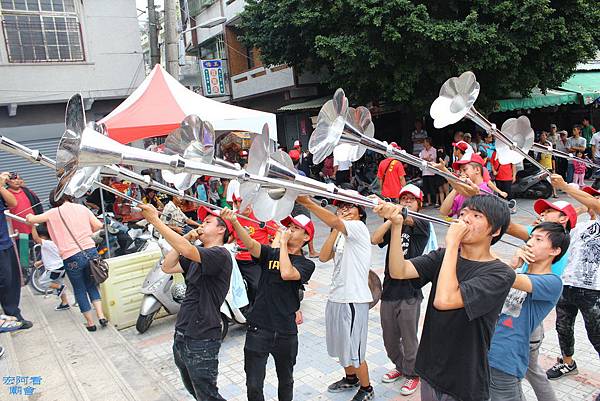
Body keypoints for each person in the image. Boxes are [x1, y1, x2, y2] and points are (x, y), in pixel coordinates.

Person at [374, 195, 515, 401]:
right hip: (430, 366)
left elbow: (445, 301)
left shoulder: (500, 273)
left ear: (495, 231)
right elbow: (399, 270)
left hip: (464, 377)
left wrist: (452, 244)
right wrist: (396, 226)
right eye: (463, 213)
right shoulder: (443, 256)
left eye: (476, 215)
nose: (465, 219)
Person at [140, 203, 232, 401]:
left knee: (208, 396)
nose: (201, 225)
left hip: (203, 338)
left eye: (207, 222)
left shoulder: (220, 255)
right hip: (183, 334)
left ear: (221, 229)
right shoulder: (197, 255)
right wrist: (187, 237)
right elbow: (168, 266)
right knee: (195, 391)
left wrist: (155, 220)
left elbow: (188, 251)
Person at [222, 208, 315, 401]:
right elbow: (250, 244)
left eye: (295, 228)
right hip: (259, 327)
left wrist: (281, 242)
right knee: (254, 384)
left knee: (286, 380)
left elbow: (287, 273)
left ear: (306, 237)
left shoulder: (306, 264)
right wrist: (235, 221)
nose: (288, 229)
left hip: (285, 331)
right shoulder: (270, 253)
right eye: (288, 226)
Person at [296, 193, 374, 401]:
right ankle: (350, 378)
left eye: (350, 206)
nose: (345, 209)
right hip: (337, 297)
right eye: (341, 206)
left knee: (355, 349)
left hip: (353, 299)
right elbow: (323, 256)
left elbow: (332, 219)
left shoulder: (358, 227)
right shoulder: (341, 231)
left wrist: (308, 203)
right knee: (341, 344)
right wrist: (335, 228)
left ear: (360, 212)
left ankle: (367, 389)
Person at [488, 222, 568, 401]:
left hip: (506, 356)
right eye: (531, 237)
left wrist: (512, 263)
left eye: (538, 239)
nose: (530, 242)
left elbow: (505, 277)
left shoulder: (552, 282)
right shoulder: (520, 275)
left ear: (555, 250)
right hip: (486, 349)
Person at [371, 184, 432, 395]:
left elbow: (408, 218)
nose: (406, 202)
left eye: (411, 199)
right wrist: (389, 219)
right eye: (403, 199)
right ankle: (401, 367)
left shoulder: (423, 224)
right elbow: (375, 239)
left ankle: (413, 374)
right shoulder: (394, 223)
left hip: (410, 291)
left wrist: (394, 212)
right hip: (389, 290)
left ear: (419, 205)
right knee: (389, 338)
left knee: (409, 338)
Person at [26, 189, 107, 331]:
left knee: (80, 289)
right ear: (68, 196)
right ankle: (101, 316)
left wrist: (28, 214)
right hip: (90, 252)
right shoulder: (82, 208)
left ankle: (90, 323)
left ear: (54, 200)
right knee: (91, 285)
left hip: (71, 257)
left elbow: (31, 219)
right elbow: (98, 226)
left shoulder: (53, 213)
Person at [544, 176, 600, 380]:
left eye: (593, 198)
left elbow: (594, 204)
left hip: (594, 290)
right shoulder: (579, 228)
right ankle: (568, 363)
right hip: (567, 285)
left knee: (597, 336)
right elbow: (564, 222)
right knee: (563, 327)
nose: (590, 201)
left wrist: (565, 187)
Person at [229, 195, 278, 303]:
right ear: (235, 204)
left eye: (247, 201)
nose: (245, 205)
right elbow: (229, 235)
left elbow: (278, 233)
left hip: (258, 260)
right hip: (239, 259)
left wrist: (272, 249)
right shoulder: (232, 218)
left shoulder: (261, 217)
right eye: (240, 202)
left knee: (257, 285)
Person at [0, 171, 32, 329]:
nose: (17, 180)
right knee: (5, 280)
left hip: (7, 241)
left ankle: (14, 315)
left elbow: (13, 204)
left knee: (11, 280)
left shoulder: (5, 190)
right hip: (9, 240)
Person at [31, 223, 70, 310]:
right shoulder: (54, 242)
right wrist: (41, 262)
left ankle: (61, 288)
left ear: (43, 236)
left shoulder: (47, 243)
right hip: (61, 268)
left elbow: (36, 239)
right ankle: (65, 303)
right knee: (58, 284)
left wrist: (32, 226)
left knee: (42, 282)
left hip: (54, 269)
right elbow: (52, 256)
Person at [439, 153, 490, 218]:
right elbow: (444, 212)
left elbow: (471, 194)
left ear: (477, 170)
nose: (462, 174)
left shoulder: (485, 189)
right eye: (460, 171)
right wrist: (455, 188)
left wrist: (444, 170)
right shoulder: (460, 191)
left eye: (464, 170)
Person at [6, 172, 43, 249]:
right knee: (24, 257)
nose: (17, 181)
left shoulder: (27, 191)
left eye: (18, 179)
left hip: (33, 229)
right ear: (7, 181)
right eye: (14, 179)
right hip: (18, 234)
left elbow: (38, 207)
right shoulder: (5, 194)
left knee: (37, 252)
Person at [536, 131, 558, 197]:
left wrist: (554, 169)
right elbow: (538, 160)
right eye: (545, 146)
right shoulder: (540, 153)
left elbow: (553, 160)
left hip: (549, 168)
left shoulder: (550, 153)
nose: (546, 147)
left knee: (552, 181)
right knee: (542, 180)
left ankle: (554, 193)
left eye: (547, 146)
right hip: (542, 168)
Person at [419, 138, 438, 207]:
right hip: (424, 172)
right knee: (426, 188)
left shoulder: (434, 150)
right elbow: (420, 159)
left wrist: (425, 158)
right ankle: (429, 202)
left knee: (433, 187)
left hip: (432, 172)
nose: (423, 143)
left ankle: (436, 201)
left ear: (428, 142)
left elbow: (431, 159)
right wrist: (426, 158)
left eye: (424, 142)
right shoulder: (422, 151)